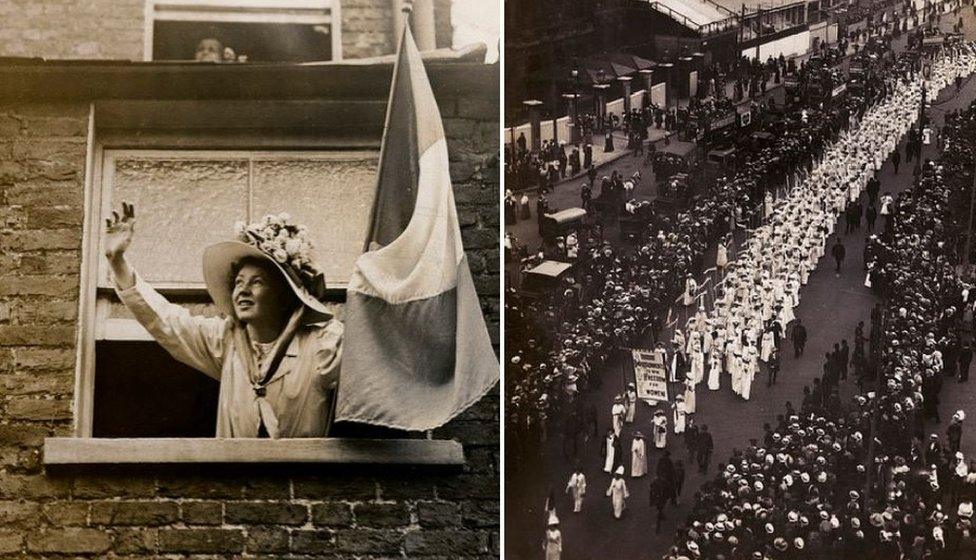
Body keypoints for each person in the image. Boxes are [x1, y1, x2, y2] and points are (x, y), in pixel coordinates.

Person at [104, 203, 343, 438]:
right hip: (234, 477)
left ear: (284, 295)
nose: (243, 291)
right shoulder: (226, 340)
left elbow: (370, 360)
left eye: (257, 282)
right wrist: (118, 262)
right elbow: (165, 321)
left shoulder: (323, 345)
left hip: (302, 476)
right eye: (239, 282)